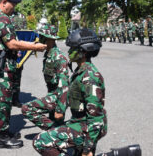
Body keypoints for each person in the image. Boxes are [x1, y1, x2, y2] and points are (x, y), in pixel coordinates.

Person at [0, 0, 47, 149]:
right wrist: (33, 46)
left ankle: (4, 131)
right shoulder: (1, 18)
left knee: (3, 100)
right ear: (4, 2)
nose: (15, 9)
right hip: (0, 67)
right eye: (13, 5)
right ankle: (1, 138)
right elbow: (11, 43)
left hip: (1, 64)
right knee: (3, 101)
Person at [33, 28, 107, 156]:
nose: (69, 51)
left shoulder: (90, 77)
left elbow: (96, 119)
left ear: (83, 52)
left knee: (40, 141)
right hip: (79, 122)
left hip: (86, 126)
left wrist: (87, 149)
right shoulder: (81, 70)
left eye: (73, 48)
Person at [22, 24, 69, 130]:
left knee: (27, 108)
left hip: (59, 96)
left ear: (49, 39)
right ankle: (56, 132)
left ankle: (54, 131)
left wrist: (60, 109)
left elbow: (64, 85)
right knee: (56, 124)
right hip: (52, 93)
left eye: (41, 37)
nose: (38, 40)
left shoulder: (58, 57)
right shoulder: (49, 54)